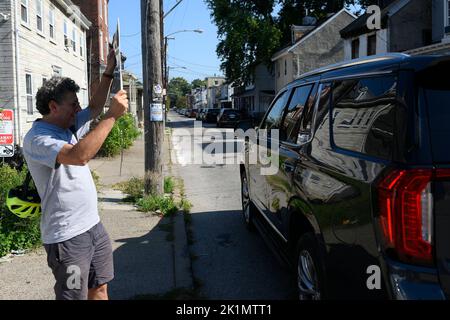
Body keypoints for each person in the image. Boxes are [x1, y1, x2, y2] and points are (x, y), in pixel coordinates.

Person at [22, 49, 128, 300]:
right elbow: (79, 156)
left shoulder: (68, 124)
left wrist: (109, 72)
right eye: (73, 104)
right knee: (74, 297)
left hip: (93, 226)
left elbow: (93, 106)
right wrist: (112, 115)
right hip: (67, 238)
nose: (78, 109)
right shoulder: (38, 138)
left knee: (100, 289)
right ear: (53, 106)